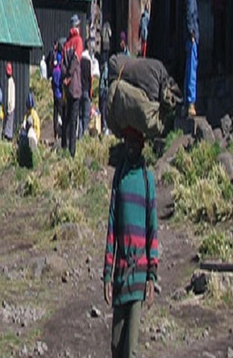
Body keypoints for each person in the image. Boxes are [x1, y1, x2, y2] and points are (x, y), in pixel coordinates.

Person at [103, 127, 158, 358]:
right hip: (120, 272)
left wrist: (152, 277)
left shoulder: (147, 179)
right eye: (127, 141)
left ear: (142, 145)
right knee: (116, 345)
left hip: (139, 273)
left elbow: (152, 228)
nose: (130, 146)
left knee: (131, 350)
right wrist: (107, 274)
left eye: (134, 142)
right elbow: (112, 226)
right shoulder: (120, 176)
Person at [62, 45, 82, 159]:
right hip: (75, 90)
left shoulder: (66, 47)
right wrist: (69, 76)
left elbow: (63, 66)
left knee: (67, 119)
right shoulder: (77, 45)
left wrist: (66, 77)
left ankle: (65, 145)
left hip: (67, 90)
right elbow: (74, 65)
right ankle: (72, 151)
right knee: (73, 121)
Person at [185, 0, 200, 117]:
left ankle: (187, 103)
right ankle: (190, 103)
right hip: (192, 39)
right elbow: (190, 17)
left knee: (190, 69)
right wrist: (192, 34)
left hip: (191, 38)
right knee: (191, 71)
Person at [79, 45, 93, 139]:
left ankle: (79, 134)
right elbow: (90, 78)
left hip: (79, 91)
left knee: (80, 113)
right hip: (86, 90)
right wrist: (90, 90)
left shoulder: (79, 62)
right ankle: (84, 132)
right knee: (86, 114)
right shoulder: (89, 62)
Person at [52, 52, 63, 142]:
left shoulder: (54, 71)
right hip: (60, 95)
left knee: (55, 114)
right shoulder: (60, 71)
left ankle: (55, 133)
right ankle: (62, 132)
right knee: (62, 114)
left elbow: (52, 84)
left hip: (54, 95)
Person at [3, 63, 15, 141]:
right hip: (11, 106)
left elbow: (10, 96)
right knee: (9, 125)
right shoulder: (11, 81)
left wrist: (9, 107)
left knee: (8, 126)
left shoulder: (10, 82)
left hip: (10, 107)